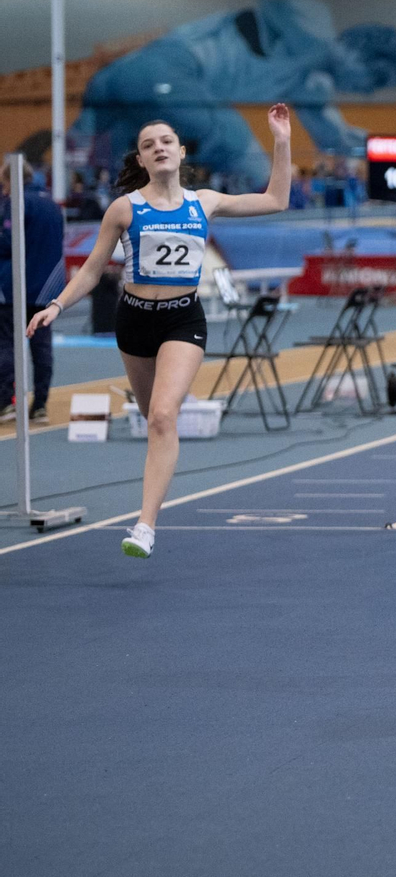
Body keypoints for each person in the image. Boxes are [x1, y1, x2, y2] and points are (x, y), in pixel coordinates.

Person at [29, 105, 295, 558]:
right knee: (150, 414)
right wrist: (56, 303)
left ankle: (145, 525)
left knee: (162, 417)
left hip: (182, 319)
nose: (159, 149)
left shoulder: (204, 202)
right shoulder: (124, 209)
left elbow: (276, 199)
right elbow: (92, 272)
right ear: (141, 160)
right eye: (149, 145)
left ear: (180, 151)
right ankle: (151, 500)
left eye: (166, 142)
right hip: (134, 319)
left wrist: (282, 140)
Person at [72, 0, 396, 188]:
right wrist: (321, 56)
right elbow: (271, 5)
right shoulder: (316, 22)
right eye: (371, 80)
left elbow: (339, 139)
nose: (365, 91)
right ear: (356, 50)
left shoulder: (308, 85)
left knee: (105, 176)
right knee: (244, 151)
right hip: (163, 70)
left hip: (117, 84)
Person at [0, 161, 65, 423]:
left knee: (6, 344)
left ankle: (7, 403)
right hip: (46, 288)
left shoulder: (14, 203)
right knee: (42, 348)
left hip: (12, 286)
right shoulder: (52, 205)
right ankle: (40, 405)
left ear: (9, 180)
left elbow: (6, 242)